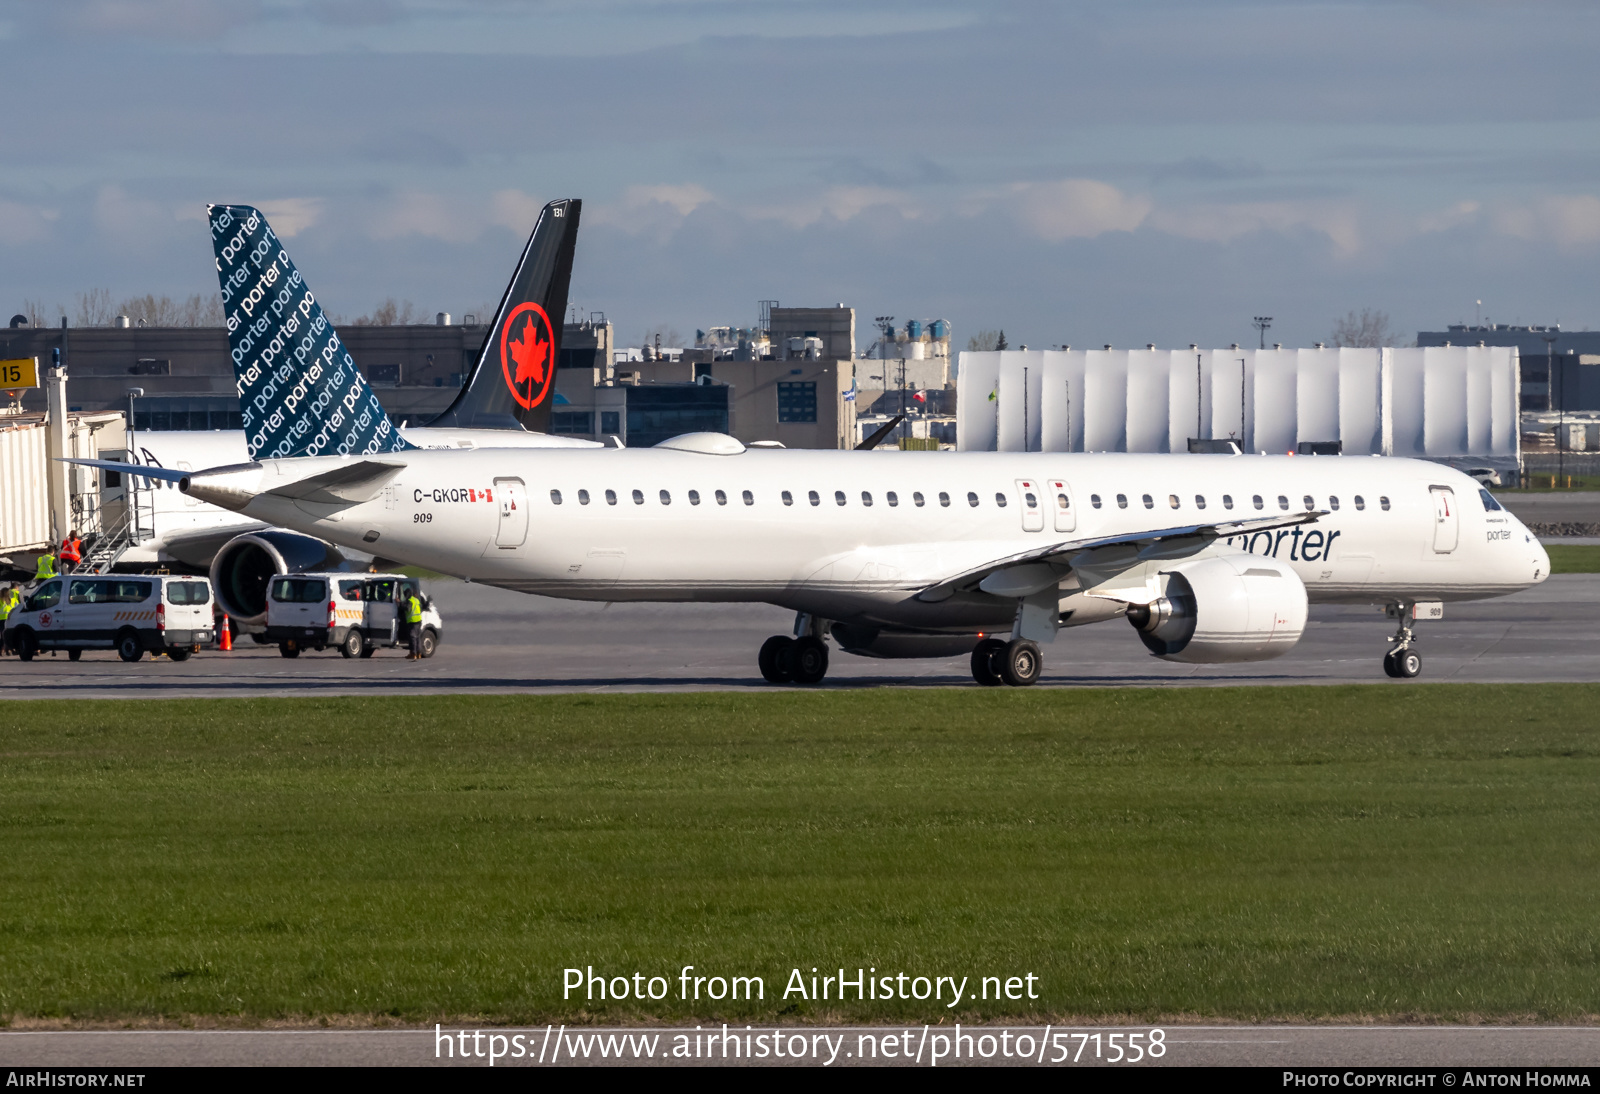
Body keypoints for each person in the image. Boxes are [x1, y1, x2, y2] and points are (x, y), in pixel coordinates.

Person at [403, 586, 424, 659]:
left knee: (413, 638)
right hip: (419, 620)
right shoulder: (416, 600)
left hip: (413, 621)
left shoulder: (410, 601)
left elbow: (408, 609)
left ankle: (413, 654)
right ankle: (418, 653)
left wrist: (400, 603)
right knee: (417, 638)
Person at [0, 583, 18, 657]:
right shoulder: (12, 600)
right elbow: (18, 606)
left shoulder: (0, 600)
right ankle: (9, 649)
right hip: (9, 619)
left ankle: (2, 650)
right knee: (8, 635)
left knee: (2, 635)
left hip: (1, 619)